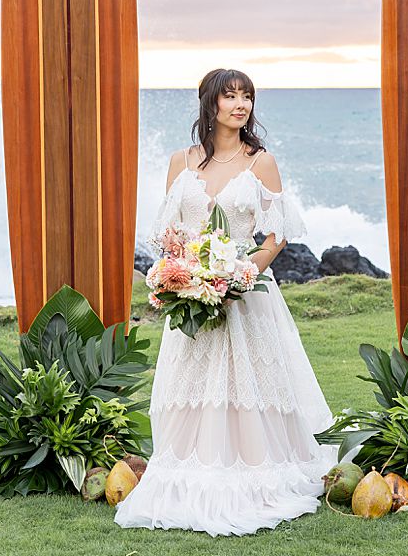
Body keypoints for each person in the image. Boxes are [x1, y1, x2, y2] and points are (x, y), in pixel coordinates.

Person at [114, 68, 339, 537]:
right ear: (209, 103)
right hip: (193, 298)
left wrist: (242, 272)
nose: (240, 104)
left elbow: (276, 235)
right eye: (230, 96)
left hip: (244, 296)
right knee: (193, 383)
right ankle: (185, 473)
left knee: (246, 384)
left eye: (247, 96)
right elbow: (170, 233)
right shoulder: (182, 161)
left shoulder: (261, 162)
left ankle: (255, 470)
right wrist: (183, 274)